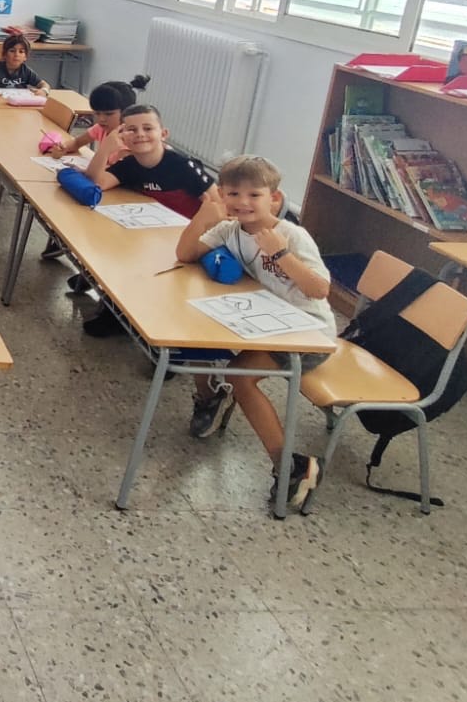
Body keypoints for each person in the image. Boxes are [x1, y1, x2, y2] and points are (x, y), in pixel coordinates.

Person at [176, 156, 334, 513]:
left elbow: (319, 289)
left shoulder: (291, 235)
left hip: (309, 333)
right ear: (222, 195)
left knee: (241, 377)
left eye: (254, 195)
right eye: (233, 194)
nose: (242, 202)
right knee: (195, 332)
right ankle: (212, 398)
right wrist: (204, 215)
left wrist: (281, 254)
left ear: (273, 199)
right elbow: (185, 254)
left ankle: (291, 465)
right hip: (267, 320)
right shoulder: (230, 229)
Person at [80, 104, 215, 337]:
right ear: (122, 136)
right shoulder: (130, 164)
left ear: (164, 133)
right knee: (115, 247)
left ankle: (148, 328)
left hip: (185, 240)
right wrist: (106, 148)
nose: (140, 134)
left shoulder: (183, 166)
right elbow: (97, 182)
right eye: (131, 129)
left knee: (138, 261)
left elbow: (217, 203)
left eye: (148, 128)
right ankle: (117, 311)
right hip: (148, 232)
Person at [45, 76, 147, 285]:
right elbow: (77, 142)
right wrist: (63, 148)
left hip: (129, 198)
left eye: (108, 114)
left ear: (126, 114)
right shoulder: (102, 129)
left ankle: (93, 273)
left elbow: (98, 178)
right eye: (97, 113)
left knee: (96, 227)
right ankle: (69, 249)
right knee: (69, 203)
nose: (101, 119)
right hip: (108, 189)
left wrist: (102, 152)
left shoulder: (130, 142)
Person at [0, 33, 49, 98]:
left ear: (25, 57)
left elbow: (44, 84)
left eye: (21, 51)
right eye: (12, 51)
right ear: (4, 54)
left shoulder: (26, 71)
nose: (16, 54)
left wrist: (44, 91)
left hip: (19, 103)